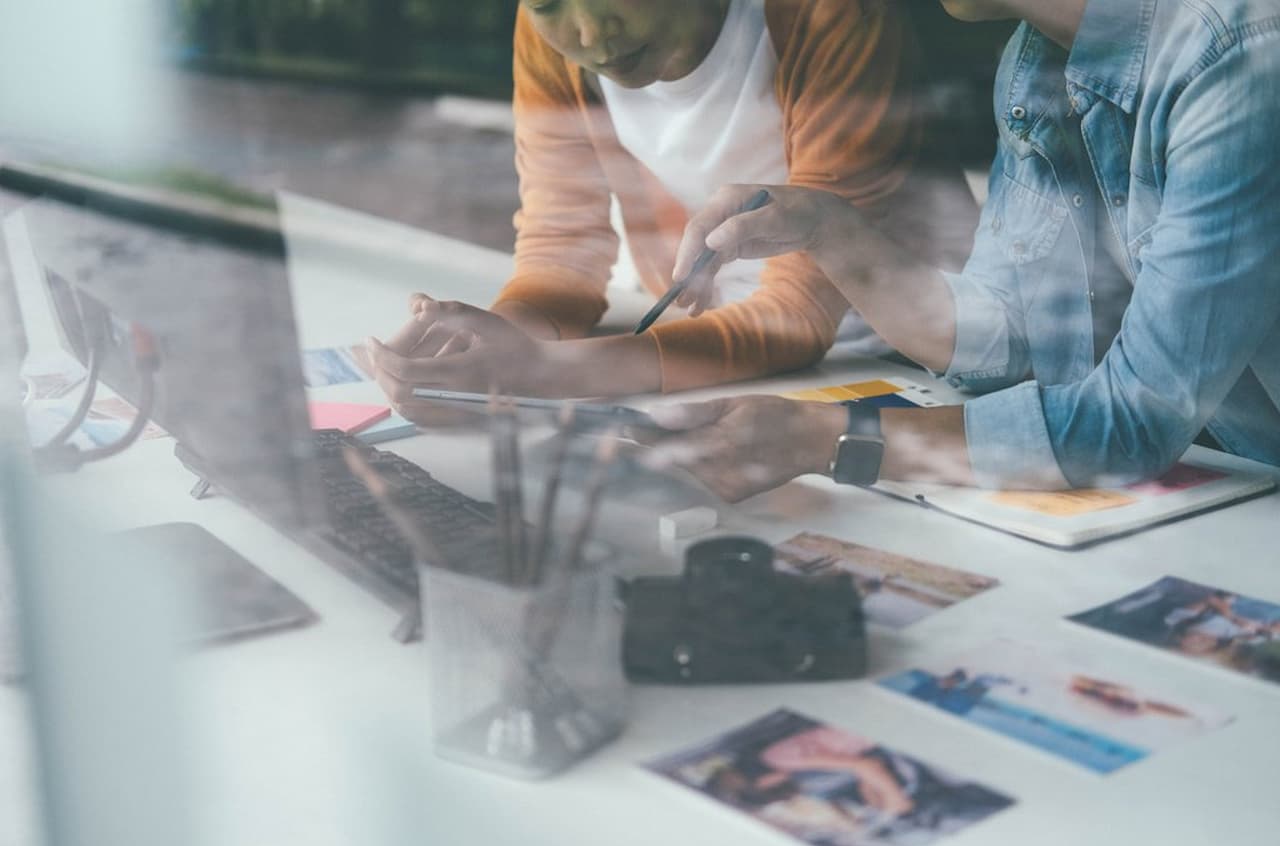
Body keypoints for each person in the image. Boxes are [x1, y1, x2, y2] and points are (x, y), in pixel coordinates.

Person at [639, 0, 1280, 500]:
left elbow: (1134, 421)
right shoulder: (1031, 65)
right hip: (1211, 501)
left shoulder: (1240, 55)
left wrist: (827, 437)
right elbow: (1003, 339)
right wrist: (823, 228)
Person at [367, 0, 977, 421]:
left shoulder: (827, 14)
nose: (589, 34)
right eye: (549, 1)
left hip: (920, 357)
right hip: (713, 359)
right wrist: (490, 351)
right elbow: (561, 245)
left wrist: (551, 373)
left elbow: (799, 314)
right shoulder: (547, 40)